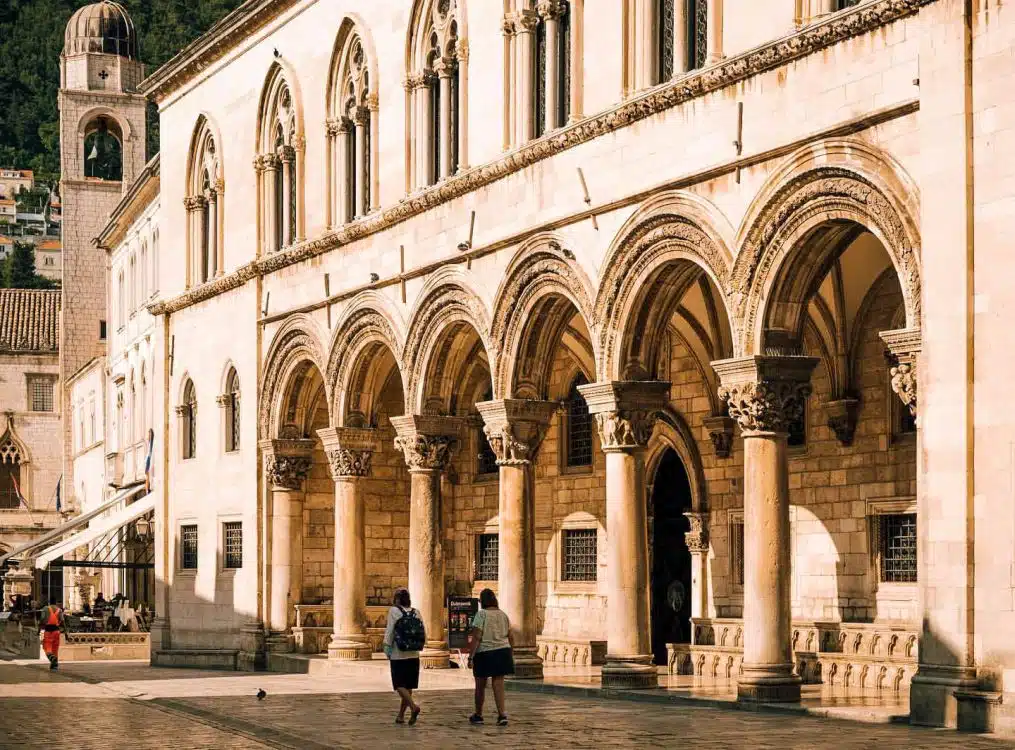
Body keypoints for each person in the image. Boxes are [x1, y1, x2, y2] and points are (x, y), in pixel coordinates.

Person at [466, 588, 514, 726]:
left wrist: (470, 657)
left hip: (485, 653)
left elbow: (477, 637)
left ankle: (479, 714)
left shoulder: (481, 615)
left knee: (480, 685)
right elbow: (511, 636)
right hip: (502, 651)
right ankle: (502, 714)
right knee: (498, 684)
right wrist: (511, 652)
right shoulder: (503, 615)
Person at [382, 588, 422, 725]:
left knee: (399, 684)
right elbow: (424, 632)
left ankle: (413, 707)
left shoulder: (394, 611)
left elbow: (390, 630)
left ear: (396, 599)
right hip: (414, 654)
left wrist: (386, 647)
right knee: (408, 686)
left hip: (398, 654)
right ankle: (401, 716)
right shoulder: (416, 612)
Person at [39, 597, 65, 670]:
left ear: (49, 602)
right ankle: (54, 666)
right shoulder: (59, 610)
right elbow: (62, 621)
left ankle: (51, 658)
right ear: (56, 602)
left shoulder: (45, 609)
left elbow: (42, 619)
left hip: (48, 631)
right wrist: (66, 632)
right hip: (57, 631)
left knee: (46, 647)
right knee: (55, 649)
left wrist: (39, 629)